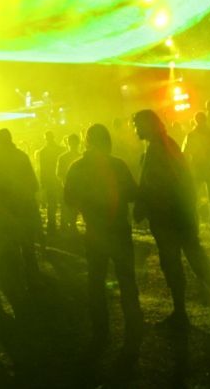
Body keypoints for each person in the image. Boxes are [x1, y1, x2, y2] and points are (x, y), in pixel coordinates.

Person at [132, 110, 210, 329]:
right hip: (180, 213)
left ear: (147, 125)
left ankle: (181, 312)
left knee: (173, 262)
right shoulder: (165, 144)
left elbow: (156, 184)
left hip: (168, 216)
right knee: (194, 255)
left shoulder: (158, 148)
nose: (135, 130)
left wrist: (142, 204)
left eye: (137, 125)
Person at [64, 125, 144, 356]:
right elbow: (133, 193)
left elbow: (68, 198)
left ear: (87, 141)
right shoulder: (117, 164)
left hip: (95, 231)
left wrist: (87, 204)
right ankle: (134, 325)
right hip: (119, 229)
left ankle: (100, 330)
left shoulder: (77, 166)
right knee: (126, 279)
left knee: (96, 281)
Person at [0, 128, 41, 295]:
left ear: (1, 142)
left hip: (9, 211)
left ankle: (19, 285)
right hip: (26, 208)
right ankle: (34, 280)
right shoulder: (22, 156)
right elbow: (34, 184)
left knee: (12, 249)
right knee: (28, 248)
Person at [37, 131, 65, 235]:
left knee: (51, 203)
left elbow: (42, 169)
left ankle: (52, 225)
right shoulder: (61, 150)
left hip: (49, 181)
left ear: (46, 139)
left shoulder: (43, 152)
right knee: (62, 203)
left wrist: (42, 183)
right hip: (59, 180)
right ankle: (63, 224)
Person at [56, 133, 82, 232]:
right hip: (74, 187)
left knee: (67, 207)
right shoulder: (80, 157)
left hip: (67, 186)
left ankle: (66, 226)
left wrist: (64, 182)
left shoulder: (63, 157)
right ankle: (70, 226)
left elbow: (59, 173)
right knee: (72, 207)